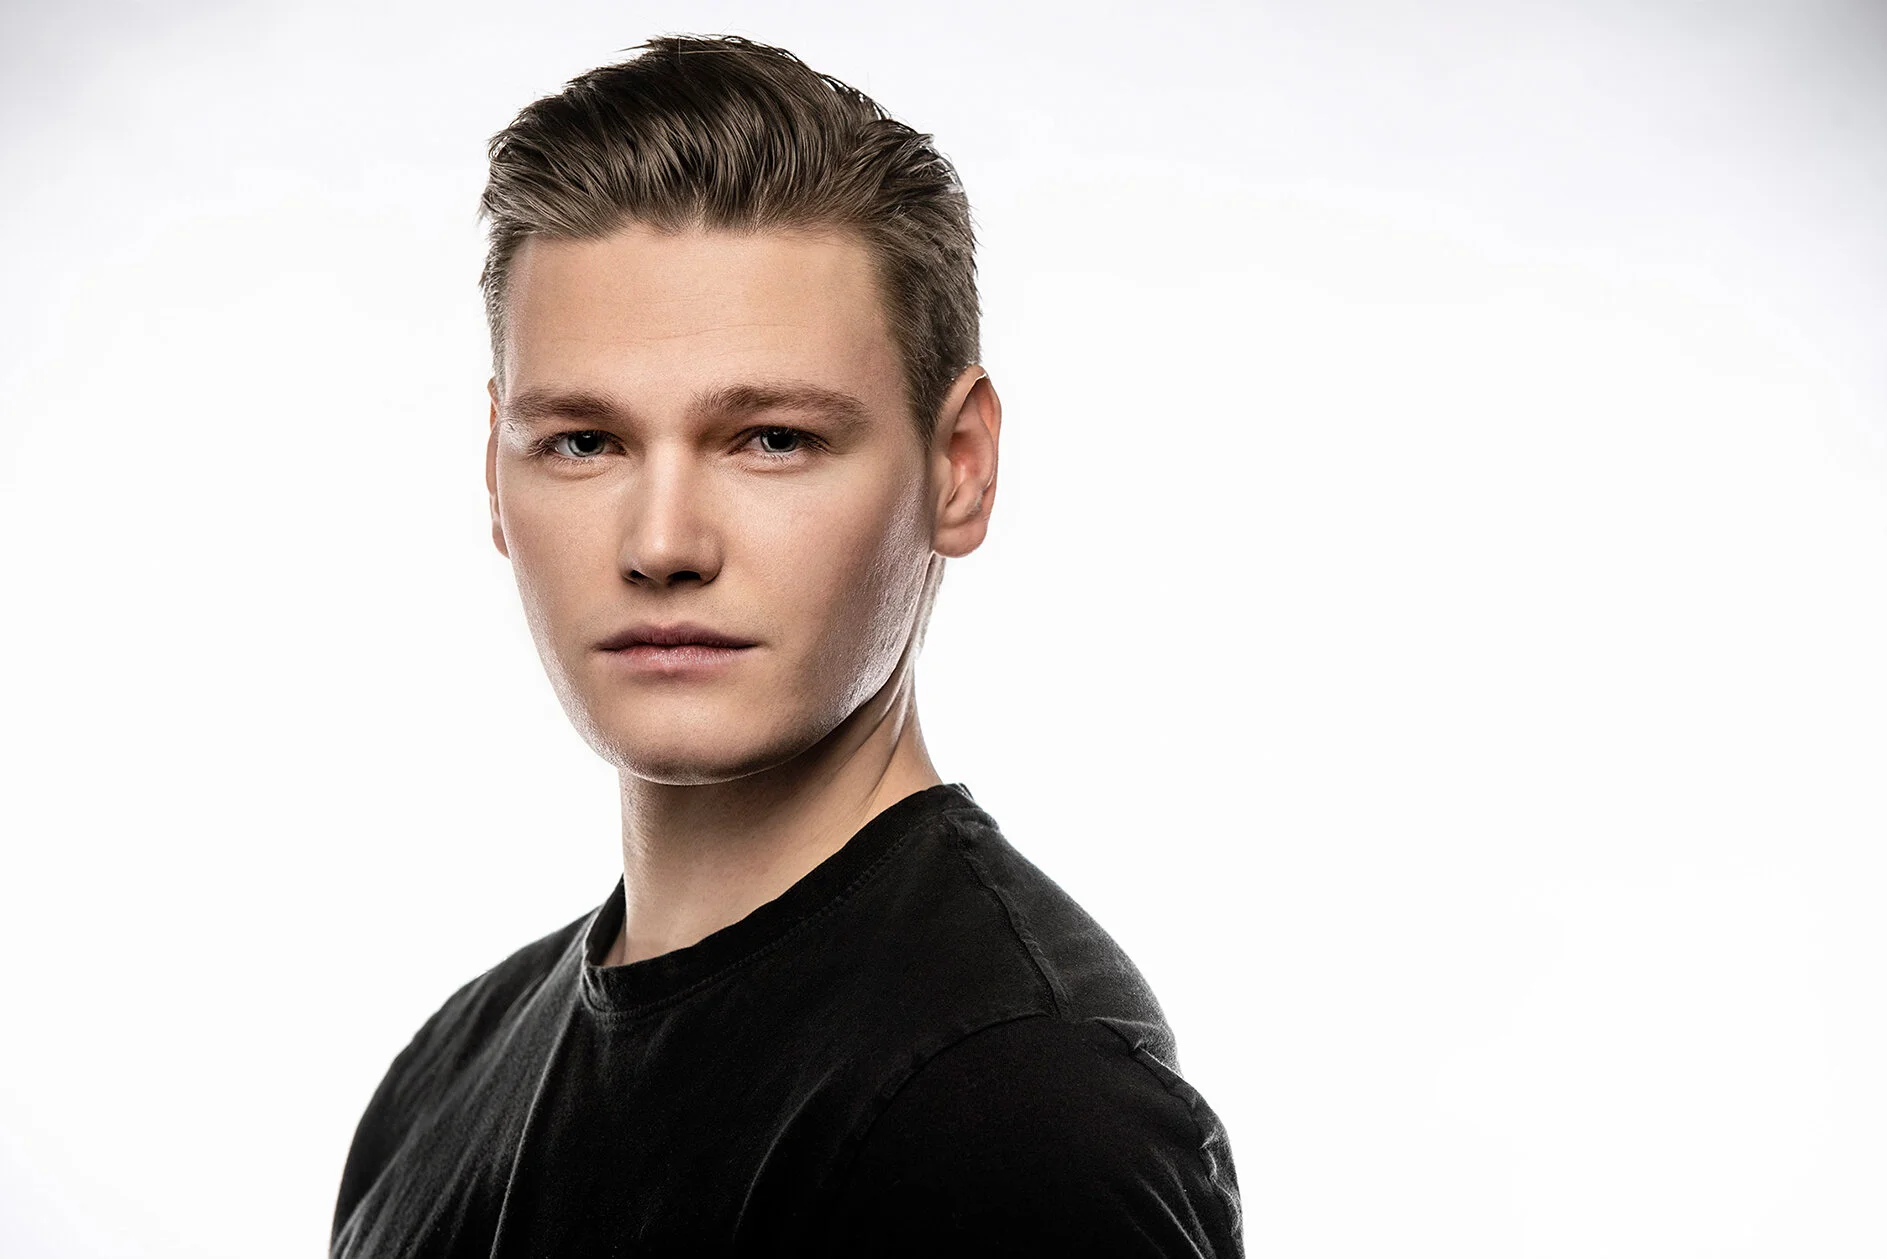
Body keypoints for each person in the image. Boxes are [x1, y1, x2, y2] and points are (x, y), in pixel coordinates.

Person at [329, 33, 1244, 1257]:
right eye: (585, 441)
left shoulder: (1014, 1112)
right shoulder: (442, 1079)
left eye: (770, 439)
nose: (662, 543)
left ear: (958, 466)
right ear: (497, 471)